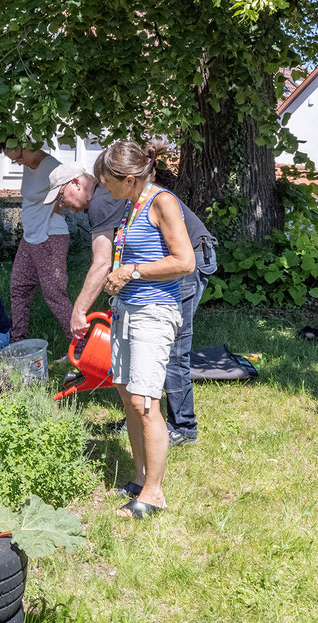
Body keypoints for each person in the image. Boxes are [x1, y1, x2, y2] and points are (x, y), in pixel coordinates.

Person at [48, 161, 218, 447]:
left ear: (76, 184)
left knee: (173, 348)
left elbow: (101, 263)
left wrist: (78, 311)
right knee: (138, 346)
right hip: (162, 264)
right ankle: (139, 418)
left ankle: (183, 427)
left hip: (188, 261)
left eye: (61, 197)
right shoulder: (110, 196)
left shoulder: (102, 200)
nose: (62, 206)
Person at [88, 141, 195, 518]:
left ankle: (154, 494)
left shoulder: (162, 201)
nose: (102, 188)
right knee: (128, 396)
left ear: (129, 179)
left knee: (146, 402)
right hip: (127, 310)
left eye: (106, 182)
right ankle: (138, 478)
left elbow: (184, 261)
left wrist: (131, 272)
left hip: (154, 311)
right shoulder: (132, 203)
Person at [0, 141, 73, 342]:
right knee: (18, 287)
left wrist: (54, 210)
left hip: (50, 235)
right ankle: (17, 342)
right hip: (30, 237)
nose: (19, 163)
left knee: (54, 293)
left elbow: (70, 195)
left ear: (27, 144)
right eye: (14, 161)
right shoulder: (29, 166)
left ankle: (80, 346)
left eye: (19, 157)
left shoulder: (53, 167)